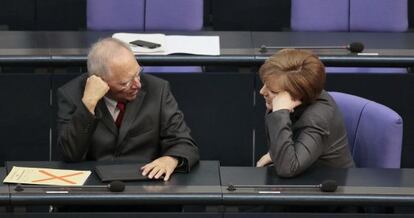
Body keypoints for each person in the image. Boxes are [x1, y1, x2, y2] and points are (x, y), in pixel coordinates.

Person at [57, 37, 199, 181]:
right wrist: (88, 104)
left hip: (147, 183)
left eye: (137, 73)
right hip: (94, 187)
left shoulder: (157, 90)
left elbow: (184, 142)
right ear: (99, 80)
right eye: (126, 82)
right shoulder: (71, 95)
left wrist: (171, 159)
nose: (137, 84)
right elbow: (70, 154)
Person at [256, 49, 354, 178]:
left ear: (296, 94)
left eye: (272, 90)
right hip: (303, 177)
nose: (262, 92)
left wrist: (280, 112)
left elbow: (287, 169)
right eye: (265, 85)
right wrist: (275, 154)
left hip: (329, 188)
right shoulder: (301, 96)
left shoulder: (316, 118)